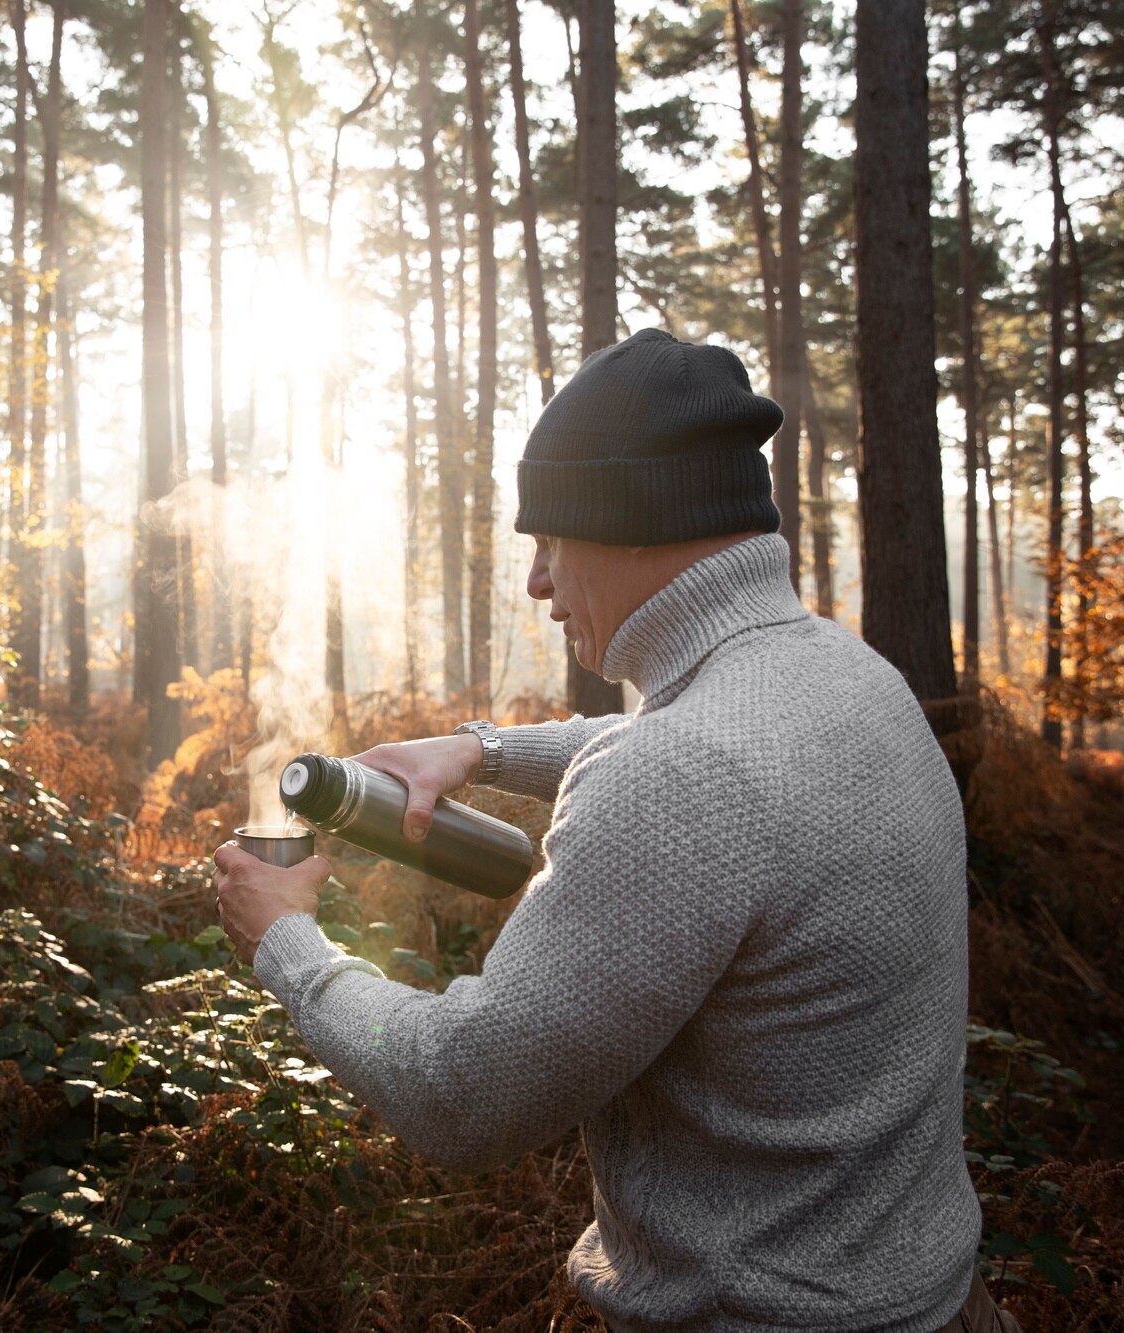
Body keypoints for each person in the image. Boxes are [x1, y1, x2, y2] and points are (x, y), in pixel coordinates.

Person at [213, 328, 1018, 1332]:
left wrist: (288, 946)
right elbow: (690, 746)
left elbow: (464, 1094)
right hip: (933, 1300)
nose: (536, 583)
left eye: (549, 540)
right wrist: (482, 749)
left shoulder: (671, 782)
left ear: (635, 521)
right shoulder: (848, 678)